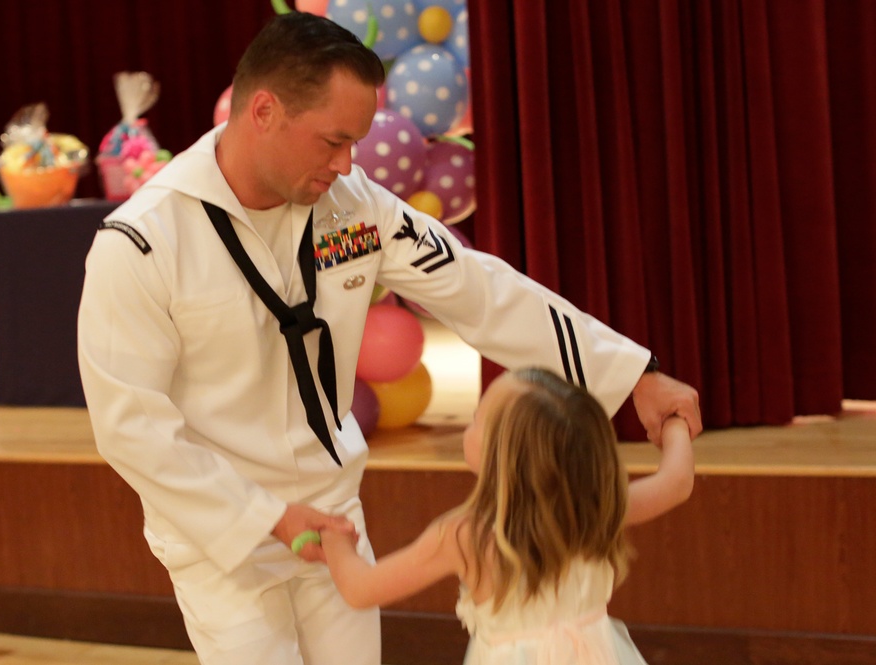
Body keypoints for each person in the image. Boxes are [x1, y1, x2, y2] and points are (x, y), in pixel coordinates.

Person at [76, 11, 701, 665]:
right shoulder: (142, 243)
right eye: (333, 140)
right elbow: (131, 425)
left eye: (357, 142)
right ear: (263, 111)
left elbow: (480, 289)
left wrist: (634, 374)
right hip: (222, 535)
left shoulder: (356, 206)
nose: (348, 163)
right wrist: (265, 516)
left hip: (334, 512)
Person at [321, 367, 695, 664]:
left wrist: (331, 533)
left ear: (501, 454)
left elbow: (361, 588)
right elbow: (676, 482)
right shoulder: (597, 508)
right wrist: (675, 422)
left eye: (477, 419)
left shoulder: (466, 536)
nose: (469, 425)